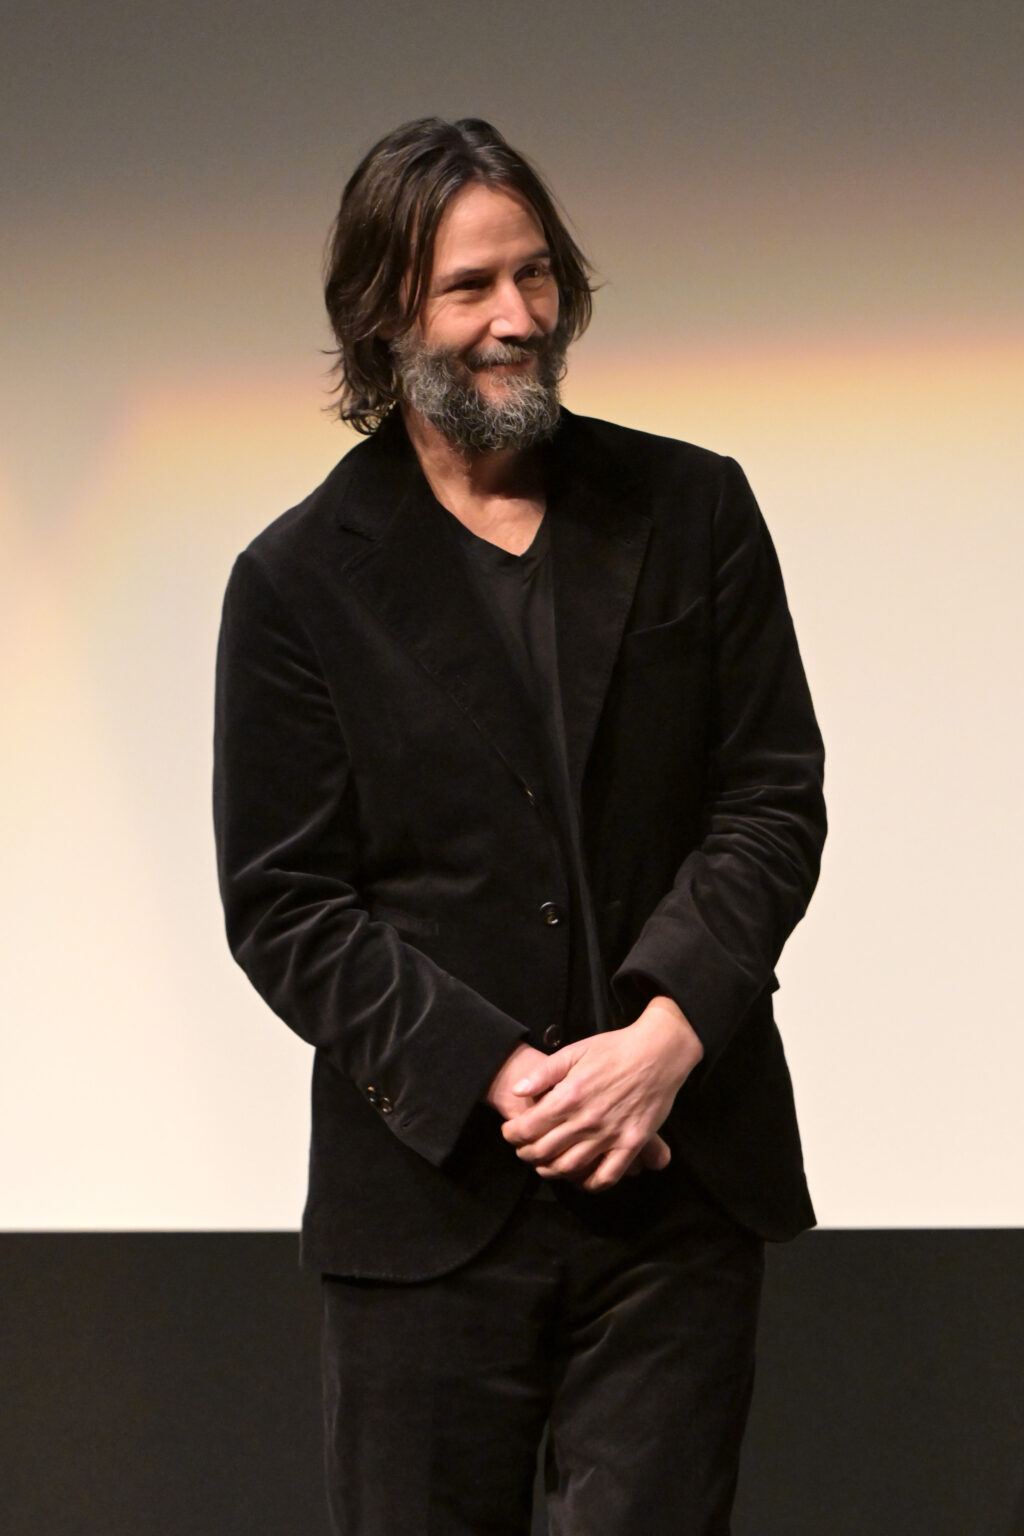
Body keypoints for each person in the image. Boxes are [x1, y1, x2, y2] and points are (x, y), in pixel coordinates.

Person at [213, 116, 826, 1536]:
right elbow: (287, 903)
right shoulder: (299, 582)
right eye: (472, 287)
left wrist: (663, 1045)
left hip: (678, 1185)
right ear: (384, 316)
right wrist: (508, 1077)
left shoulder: (691, 507)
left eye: (538, 277)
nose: (520, 320)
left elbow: (771, 796)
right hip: (431, 1214)